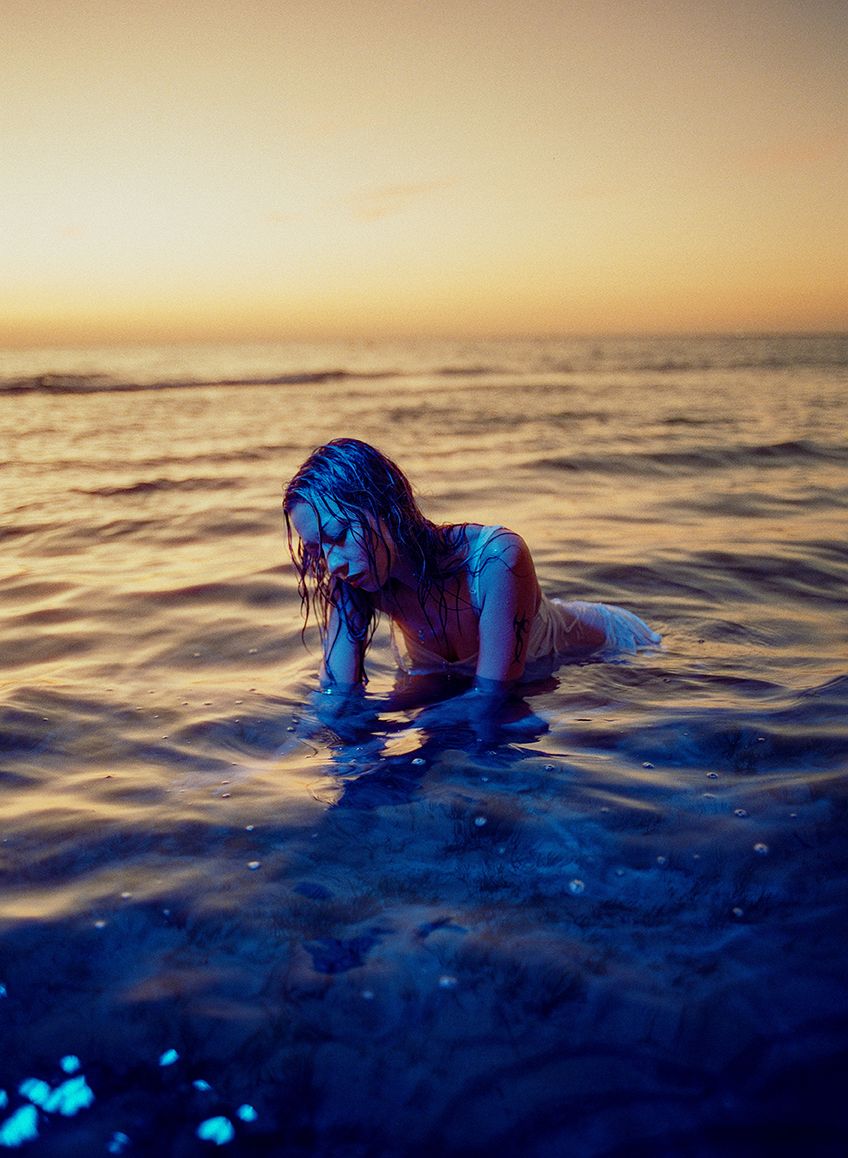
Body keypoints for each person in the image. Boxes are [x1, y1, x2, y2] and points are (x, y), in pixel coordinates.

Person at [283, 439, 660, 736]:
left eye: (339, 535)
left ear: (384, 508)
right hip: (505, 680)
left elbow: (492, 694)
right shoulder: (354, 582)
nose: (333, 563)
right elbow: (335, 697)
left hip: (618, 648)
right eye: (317, 550)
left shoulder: (495, 559)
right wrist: (275, 762)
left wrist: (391, 726)